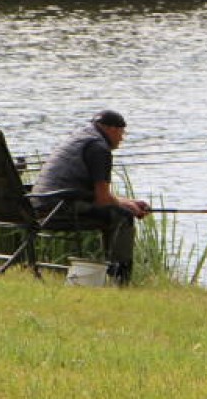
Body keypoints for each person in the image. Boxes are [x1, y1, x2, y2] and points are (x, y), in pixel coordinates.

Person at [30, 109, 150, 284]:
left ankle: (110, 274)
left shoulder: (79, 137)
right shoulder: (99, 148)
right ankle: (121, 278)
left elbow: (97, 195)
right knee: (123, 217)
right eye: (122, 133)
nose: (122, 138)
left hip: (39, 203)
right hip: (59, 208)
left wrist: (127, 202)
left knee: (121, 208)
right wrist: (127, 208)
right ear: (112, 129)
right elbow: (102, 199)